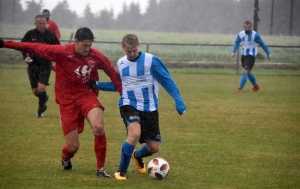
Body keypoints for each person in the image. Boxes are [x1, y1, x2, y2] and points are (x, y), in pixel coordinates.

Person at [0, 27, 122, 178]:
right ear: (75, 41)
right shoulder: (62, 52)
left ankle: (100, 169)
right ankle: (65, 156)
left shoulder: (96, 56)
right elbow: (34, 47)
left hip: (87, 95)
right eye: (84, 45)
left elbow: (113, 74)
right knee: (73, 147)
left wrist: (125, 96)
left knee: (98, 126)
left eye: (89, 46)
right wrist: (4, 43)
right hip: (66, 101)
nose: (87, 49)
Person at [89, 34, 186, 180]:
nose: (132, 54)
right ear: (123, 47)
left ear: (138, 45)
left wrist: (178, 100)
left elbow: (167, 80)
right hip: (129, 104)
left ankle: (136, 155)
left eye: (134, 50)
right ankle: (121, 172)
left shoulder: (151, 61)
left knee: (154, 147)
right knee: (134, 134)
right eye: (129, 51)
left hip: (149, 108)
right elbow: (120, 86)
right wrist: (97, 85)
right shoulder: (121, 63)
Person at [21, 15, 60, 118]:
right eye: (40, 23)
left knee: (41, 87)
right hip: (32, 64)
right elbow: (22, 46)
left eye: (44, 23)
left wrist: (55, 60)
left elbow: (59, 48)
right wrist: (25, 57)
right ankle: (44, 98)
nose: (42, 25)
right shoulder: (30, 34)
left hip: (45, 65)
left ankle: (40, 112)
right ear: (36, 24)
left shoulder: (50, 36)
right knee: (35, 91)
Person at [231, 20, 271, 92]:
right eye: (246, 27)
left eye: (248, 27)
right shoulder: (241, 34)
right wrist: (233, 51)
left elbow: (262, 44)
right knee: (248, 72)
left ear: (251, 27)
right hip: (244, 55)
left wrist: (268, 53)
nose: (247, 29)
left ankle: (240, 88)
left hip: (251, 55)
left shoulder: (255, 35)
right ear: (244, 27)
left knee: (244, 70)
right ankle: (256, 86)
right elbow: (236, 43)